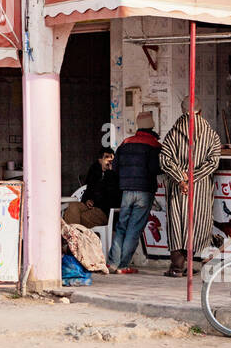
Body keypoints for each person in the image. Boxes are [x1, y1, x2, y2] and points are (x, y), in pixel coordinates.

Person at [160, 96, 222, 277]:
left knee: (177, 225)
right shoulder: (211, 134)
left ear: (182, 111)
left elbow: (164, 159)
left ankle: (177, 267)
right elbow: (213, 162)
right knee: (196, 224)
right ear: (200, 112)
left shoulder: (173, 133)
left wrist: (181, 179)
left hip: (178, 188)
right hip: (199, 188)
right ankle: (192, 265)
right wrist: (193, 178)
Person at [108, 112, 161, 273]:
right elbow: (155, 169)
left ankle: (112, 263)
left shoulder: (126, 143)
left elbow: (115, 167)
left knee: (121, 226)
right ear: (152, 126)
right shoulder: (154, 145)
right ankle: (123, 265)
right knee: (134, 228)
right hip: (144, 192)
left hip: (126, 191)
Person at [61, 148, 120, 229]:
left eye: (112, 158)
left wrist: (110, 172)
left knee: (81, 218)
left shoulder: (116, 174)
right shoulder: (94, 171)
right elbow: (89, 190)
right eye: (107, 157)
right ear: (100, 160)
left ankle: (74, 237)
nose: (110, 160)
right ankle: (74, 237)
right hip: (90, 207)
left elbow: (111, 195)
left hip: (104, 211)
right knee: (73, 206)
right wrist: (88, 200)